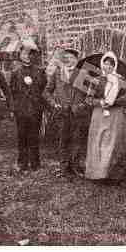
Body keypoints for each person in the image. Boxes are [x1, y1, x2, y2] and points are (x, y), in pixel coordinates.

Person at [84, 51, 126, 181]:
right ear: (102, 65)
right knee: (98, 140)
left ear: (114, 66)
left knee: (113, 142)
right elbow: (88, 99)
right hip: (99, 114)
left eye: (111, 65)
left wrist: (114, 102)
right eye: (105, 65)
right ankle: (98, 173)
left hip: (115, 114)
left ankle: (113, 173)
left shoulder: (120, 80)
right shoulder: (96, 80)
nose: (108, 67)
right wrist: (100, 102)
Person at [44, 48, 90, 178]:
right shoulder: (58, 73)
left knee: (76, 139)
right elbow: (46, 92)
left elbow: (90, 94)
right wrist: (54, 104)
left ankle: (76, 166)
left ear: (76, 60)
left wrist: (83, 105)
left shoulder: (83, 74)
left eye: (70, 58)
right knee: (63, 139)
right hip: (62, 112)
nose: (68, 60)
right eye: (65, 58)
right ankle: (64, 167)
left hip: (77, 113)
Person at [10, 39, 47, 172]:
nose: (27, 56)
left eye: (30, 54)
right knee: (22, 136)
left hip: (35, 109)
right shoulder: (15, 73)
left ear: (33, 56)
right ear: (20, 55)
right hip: (21, 109)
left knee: (34, 136)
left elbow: (44, 90)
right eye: (24, 53)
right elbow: (12, 92)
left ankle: (35, 163)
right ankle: (22, 163)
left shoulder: (40, 71)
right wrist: (14, 108)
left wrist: (39, 104)